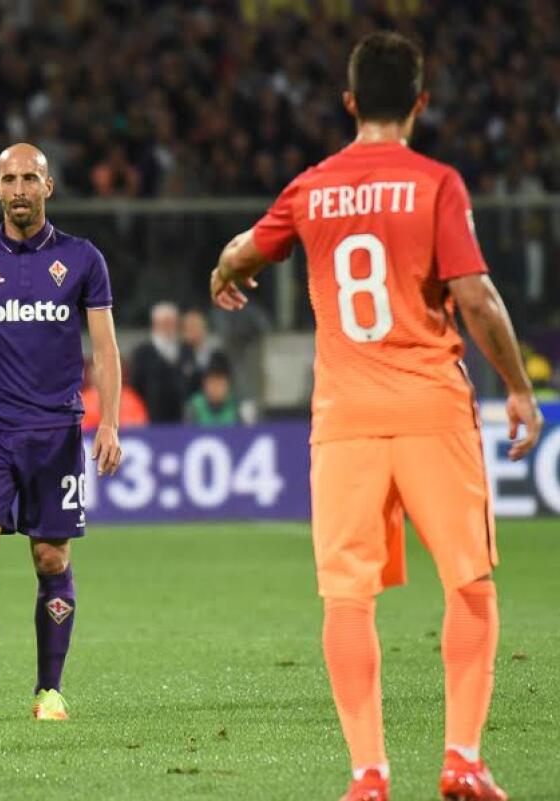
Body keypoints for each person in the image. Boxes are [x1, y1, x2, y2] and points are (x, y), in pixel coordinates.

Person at [209, 33, 543, 801]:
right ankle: (461, 756)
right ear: (421, 103)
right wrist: (518, 388)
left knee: (347, 596)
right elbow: (478, 296)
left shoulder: (312, 187)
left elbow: (243, 251)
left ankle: (367, 773)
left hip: (344, 419)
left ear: (351, 102)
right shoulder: (436, 184)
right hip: (432, 409)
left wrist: (226, 272)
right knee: (469, 584)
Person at [0, 143, 122, 724]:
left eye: (30, 178)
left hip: (56, 432)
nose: (19, 189)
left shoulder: (83, 260)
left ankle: (48, 692)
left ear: (48, 187)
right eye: (9, 179)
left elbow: (104, 348)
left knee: (51, 558)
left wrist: (108, 420)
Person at [130, 302, 186, 423]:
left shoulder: (185, 350)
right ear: (155, 324)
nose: (169, 326)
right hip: (151, 417)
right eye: (165, 322)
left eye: (172, 322)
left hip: (180, 419)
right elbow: (135, 384)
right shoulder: (142, 352)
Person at [177, 308, 227, 400]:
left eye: (195, 326)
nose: (192, 331)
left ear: (204, 327)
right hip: (190, 405)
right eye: (188, 328)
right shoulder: (180, 354)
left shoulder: (217, 353)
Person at [185, 356, 239, 427]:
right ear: (204, 384)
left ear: (228, 385)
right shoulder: (194, 406)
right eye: (212, 382)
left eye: (220, 383)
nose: (216, 388)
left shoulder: (236, 407)